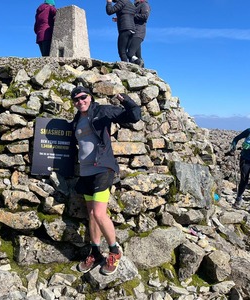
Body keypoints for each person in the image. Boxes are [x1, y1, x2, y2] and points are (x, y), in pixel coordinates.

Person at [71, 86, 141, 275]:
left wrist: (126, 100)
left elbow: (134, 116)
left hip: (102, 169)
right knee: (92, 215)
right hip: (85, 173)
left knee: (100, 214)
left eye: (83, 97)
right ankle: (95, 252)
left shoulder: (102, 111)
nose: (80, 101)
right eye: (76, 99)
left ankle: (114, 250)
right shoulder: (77, 120)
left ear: (90, 97)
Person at [229, 128, 250, 208]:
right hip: (245, 159)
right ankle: (238, 199)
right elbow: (236, 139)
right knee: (244, 179)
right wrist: (233, 147)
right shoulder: (248, 131)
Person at [127, 0, 151, 67]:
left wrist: (132, 15)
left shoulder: (144, 4)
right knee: (138, 56)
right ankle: (142, 71)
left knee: (130, 54)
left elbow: (145, 16)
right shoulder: (135, 6)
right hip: (133, 32)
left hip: (139, 32)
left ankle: (139, 63)